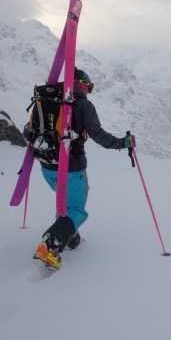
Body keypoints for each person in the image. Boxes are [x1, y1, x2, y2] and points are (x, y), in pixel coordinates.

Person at [33, 68, 135, 269]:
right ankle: (50, 246)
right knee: (76, 209)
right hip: (70, 167)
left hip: (47, 165)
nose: (89, 91)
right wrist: (122, 143)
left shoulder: (46, 99)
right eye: (89, 86)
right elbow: (98, 135)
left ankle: (71, 240)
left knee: (65, 202)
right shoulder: (82, 104)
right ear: (82, 84)